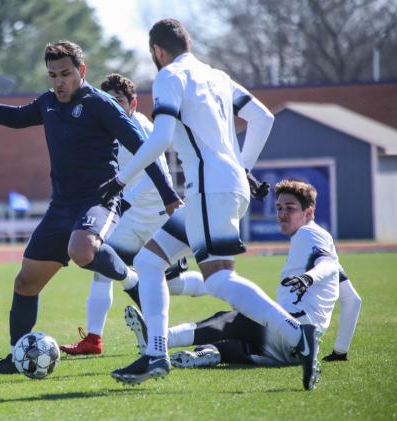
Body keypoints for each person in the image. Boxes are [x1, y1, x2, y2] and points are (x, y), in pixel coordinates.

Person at [0, 40, 181, 375]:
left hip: (100, 200)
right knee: (25, 283)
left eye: (65, 74)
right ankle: (15, 357)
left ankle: (130, 279)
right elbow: (14, 117)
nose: (58, 81)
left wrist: (168, 195)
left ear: (81, 71)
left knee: (82, 250)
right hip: (61, 205)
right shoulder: (48, 103)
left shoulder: (101, 104)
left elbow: (144, 147)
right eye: (52, 75)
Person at [106, 19, 321, 390]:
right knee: (148, 261)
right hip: (220, 188)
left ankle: (299, 334)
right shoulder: (218, 75)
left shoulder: (170, 75)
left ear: (158, 51)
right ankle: (156, 354)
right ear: (188, 41)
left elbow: (160, 139)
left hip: (209, 189)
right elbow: (262, 117)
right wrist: (243, 166)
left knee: (220, 278)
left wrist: (120, 180)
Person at [123, 179, 361, 370]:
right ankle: (208, 355)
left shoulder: (308, 235)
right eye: (279, 208)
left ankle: (159, 340)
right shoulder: (321, 240)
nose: (282, 214)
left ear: (309, 213)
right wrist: (340, 351)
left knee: (233, 320)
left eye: (290, 208)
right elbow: (352, 300)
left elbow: (326, 264)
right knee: (233, 345)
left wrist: (309, 278)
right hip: (295, 353)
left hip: (296, 332)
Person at [59, 74, 205, 356]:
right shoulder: (106, 128)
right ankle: (93, 340)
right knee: (101, 267)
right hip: (127, 220)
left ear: (133, 103)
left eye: (120, 101)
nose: (113, 106)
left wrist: (124, 200)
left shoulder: (142, 128)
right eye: (108, 101)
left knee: (170, 284)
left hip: (156, 218)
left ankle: (217, 284)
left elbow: (157, 175)